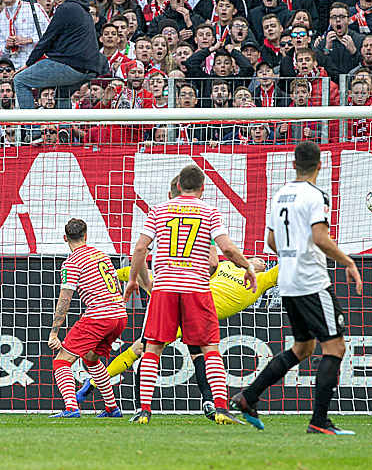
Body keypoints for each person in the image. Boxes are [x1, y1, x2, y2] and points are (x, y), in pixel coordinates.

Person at [230, 141, 363, 435]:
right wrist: (347, 262)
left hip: (288, 281)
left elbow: (271, 242)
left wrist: (291, 253)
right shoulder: (316, 196)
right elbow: (320, 237)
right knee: (335, 346)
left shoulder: (280, 195)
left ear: (293, 165)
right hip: (312, 281)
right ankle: (319, 422)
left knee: (304, 347)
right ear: (319, 166)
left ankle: (248, 396)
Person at [122, 165, 258, 424]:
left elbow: (140, 248)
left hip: (164, 288)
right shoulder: (209, 212)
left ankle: (144, 411)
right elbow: (226, 249)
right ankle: (220, 408)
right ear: (203, 187)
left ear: (178, 186)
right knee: (210, 349)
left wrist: (133, 280)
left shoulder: (159, 210)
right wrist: (248, 267)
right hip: (196, 288)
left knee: (153, 347)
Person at [79, 255, 279, 419]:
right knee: (146, 347)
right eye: (257, 258)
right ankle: (109, 276)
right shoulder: (225, 266)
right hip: (185, 302)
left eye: (263, 261)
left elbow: (280, 272)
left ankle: (207, 404)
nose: (261, 261)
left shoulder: (260, 281)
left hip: (199, 315)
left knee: (167, 351)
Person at [46, 218, 127, 419]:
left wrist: (54, 332)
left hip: (99, 315)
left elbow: (65, 299)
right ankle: (112, 408)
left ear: (65, 238)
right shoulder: (102, 255)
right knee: (91, 358)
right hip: (119, 316)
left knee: (61, 361)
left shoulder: (71, 263)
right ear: (86, 236)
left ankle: (72, 408)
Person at [14, 0, 103, 109]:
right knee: (63, 94)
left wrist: (29, 63)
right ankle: (64, 128)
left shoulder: (65, 8)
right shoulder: (84, 10)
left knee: (20, 81)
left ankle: (31, 127)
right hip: (90, 69)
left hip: (71, 65)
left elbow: (48, 38)